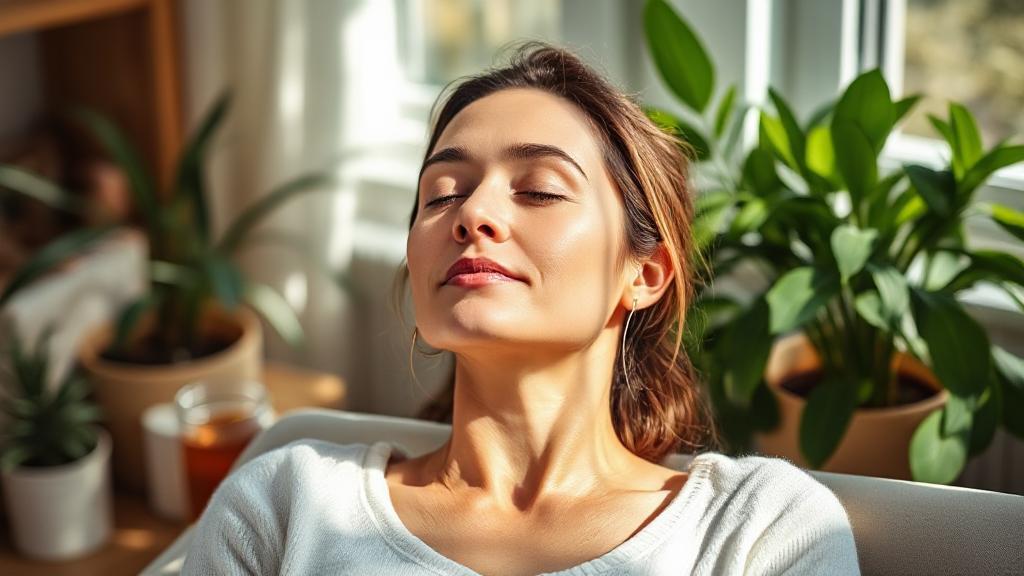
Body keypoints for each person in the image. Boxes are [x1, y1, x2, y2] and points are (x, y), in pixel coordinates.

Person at [182, 42, 860, 575]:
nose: (473, 213)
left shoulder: (758, 530)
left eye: (538, 190)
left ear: (644, 273)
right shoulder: (285, 504)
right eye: (442, 193)